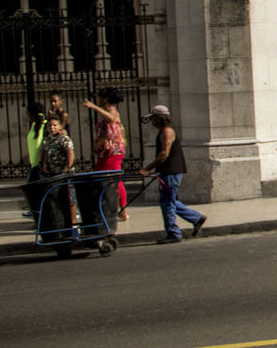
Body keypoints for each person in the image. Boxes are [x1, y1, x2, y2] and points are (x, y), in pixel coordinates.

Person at [139, 105, 207, 243]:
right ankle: (196, 218)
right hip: (168, 171)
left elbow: (164, 153)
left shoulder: (167, 132)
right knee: (169, 201)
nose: (152, 122)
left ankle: (173, 233)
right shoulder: (164, 131)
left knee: (167, 203)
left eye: (153, 119)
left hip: (171, 171)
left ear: (159, 119)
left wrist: (148, 168)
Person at [84, 87, 129, 221]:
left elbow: (111, 119)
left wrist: (93, 107)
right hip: (106, 152)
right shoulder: (105, 114)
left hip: (113, 152)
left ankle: (122, 208)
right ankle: (118, 208)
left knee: (107, 178)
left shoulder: (111, 111)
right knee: (110, 179)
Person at [39, 115, 76, 223]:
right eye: (50, 125)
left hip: (65, 173)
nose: (52, 127)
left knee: (70, 198)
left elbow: (70, 154)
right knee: (56, 198)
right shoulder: (48, 140)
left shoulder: (64, 139)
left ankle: (73, 222)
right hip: (53, 173)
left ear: (60, 126)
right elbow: (45, 153)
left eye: (55, 125)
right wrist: (45, 165)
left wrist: (66, 169)